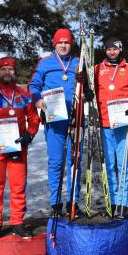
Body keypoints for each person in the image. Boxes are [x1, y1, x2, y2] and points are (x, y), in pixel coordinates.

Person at [28, 28, 90, 216]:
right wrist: (37, 99)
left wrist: (85, 80)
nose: (63, 45)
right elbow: (33, 85)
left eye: (67, 42)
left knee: (75, 162)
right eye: (60, 42)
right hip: (54, 120)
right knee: (56, 162)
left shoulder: (80, 62)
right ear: (54, 44)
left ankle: (73, 202)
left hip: (76, 119)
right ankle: (56, 203)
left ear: (71, 44)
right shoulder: (45, 63)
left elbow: (90, 90)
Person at [0, 56, 40, 241]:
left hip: (17, 149)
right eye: (3, 69)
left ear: (15, 72)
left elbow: (34, 119)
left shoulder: (24, 95)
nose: (7, 72)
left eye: (10, 69)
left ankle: (17, 223)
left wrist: (29, 134)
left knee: (18, 187)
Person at [94, 37, 128, 216]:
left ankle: (123, 203)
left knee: (124, 166)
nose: (112, 52)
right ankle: (112, 202)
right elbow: (89, 95)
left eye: (115, 49)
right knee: (108, 166)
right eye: (109, 49)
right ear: (105, 51)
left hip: (124, 125)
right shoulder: (96, 70)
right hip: (105, 125)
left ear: (120, 50)